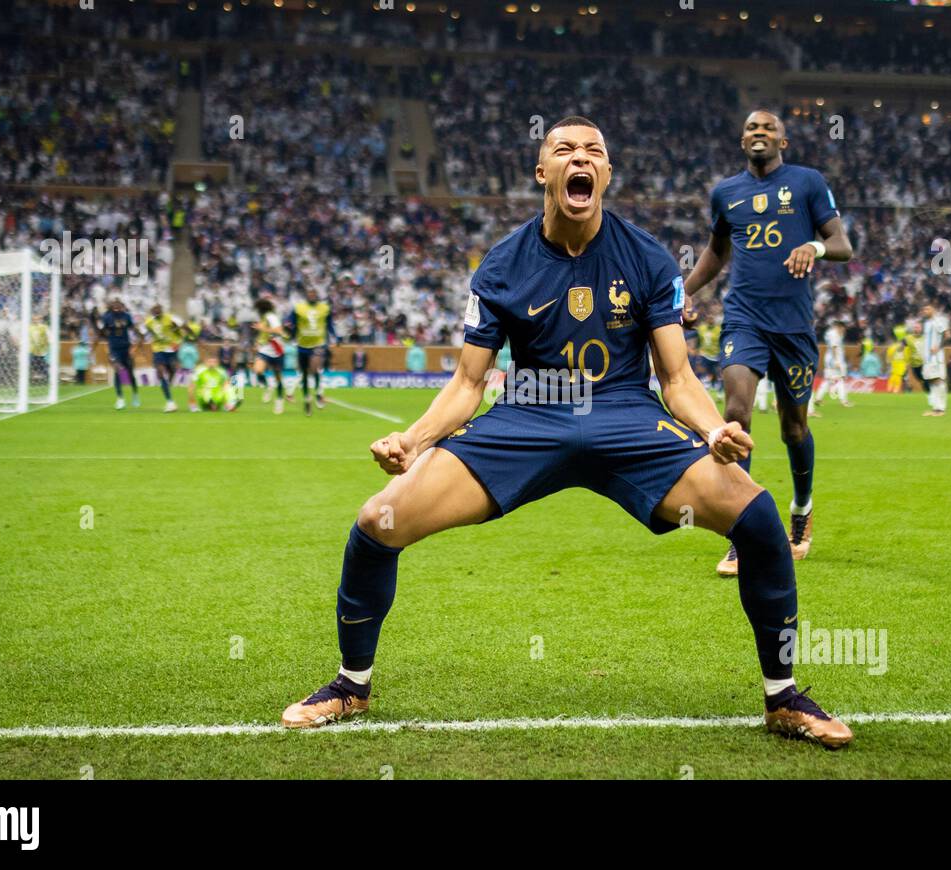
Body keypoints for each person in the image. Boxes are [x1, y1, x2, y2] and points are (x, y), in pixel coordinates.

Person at [280, 116, 852, 748]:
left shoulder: (647, 257)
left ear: (605, 174)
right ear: (543, 173)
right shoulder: (502, 265)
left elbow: (677, 375)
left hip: (626, 417)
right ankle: (350, 686)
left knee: (758, 515)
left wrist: (716, 428)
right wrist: (412, 441)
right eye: (565, 150)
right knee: (377, 522)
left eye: (594, 152)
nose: (581, 158)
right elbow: (469, 386)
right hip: (528, 417)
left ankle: (783, 698)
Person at [682, 109, 853, 572]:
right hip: (744, 321)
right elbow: (717, 253)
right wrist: (683, 292)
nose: (760, 134)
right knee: (735, 417)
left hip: (794, 327)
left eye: (768, 129)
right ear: (743, 142)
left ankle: (801, 510)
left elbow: (842, 243)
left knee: (793, 427)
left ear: (784, 140)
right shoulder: (726, 193)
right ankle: (744, 530)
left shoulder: (807, 183)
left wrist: (812, 246)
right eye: (752, 129)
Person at [289, 287, 331, 416]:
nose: (312, 295)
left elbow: (329, 324)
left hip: (318, 344)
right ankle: (307, 399)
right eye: (310, 293)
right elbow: (291, 323)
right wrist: (289, 331)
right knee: (305, 375)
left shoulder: (324, 308)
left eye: (314, 293)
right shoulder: (299, 308)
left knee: (315, 368)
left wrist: (335, 336)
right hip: (302, 345)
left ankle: (318, 393)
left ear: (317, 295)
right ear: (306, 295)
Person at [96, 299, 141, 410]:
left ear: (122, 306)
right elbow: (101, 332)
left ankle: (135, 394)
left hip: (126, 348)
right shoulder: (107, 317)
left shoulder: (127, 316)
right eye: (114, 305)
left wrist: (139, 338)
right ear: (111, 307)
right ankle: (120, 399)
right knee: (118, 370)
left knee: (130, 373)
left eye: (118, 305)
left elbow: (133, 329)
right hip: (114, 349)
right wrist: (99, 340)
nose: (116, 307)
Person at [144, 304, 189, 413]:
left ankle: (167, 386)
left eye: (158, 310)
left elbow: (185, 327)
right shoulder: (149, 322)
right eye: (154, 311)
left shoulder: (171, 318)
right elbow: (148, 332)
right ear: (152, 312)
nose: (156, 312)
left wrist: (185, 336)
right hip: (158, 349)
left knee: (172, 370)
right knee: (160, 372)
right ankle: (170, 402)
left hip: (172, 348)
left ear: (162, 310)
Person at [251, 296, 288, 415]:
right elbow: (263, 333)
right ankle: (268, 386)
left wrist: (264, 328)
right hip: (265, 349)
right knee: (257, 370)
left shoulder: (271, 317)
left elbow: (279, 330)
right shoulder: (263, 318)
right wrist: (257, 342)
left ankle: (279, 400)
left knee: (278, 378)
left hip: (277, 350)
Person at [920, 304, 950, 417]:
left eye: (927, 309)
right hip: (927, 358)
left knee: (938, 380)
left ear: (933, 309)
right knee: (932, 381)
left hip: (936, 357)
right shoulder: (926, 323)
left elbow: (947, 335)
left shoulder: (939, 320)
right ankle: (935, 408)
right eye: (924, 309)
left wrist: (938, 347)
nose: (925, 311)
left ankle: (941, 409)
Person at [815, 320, 852, 408]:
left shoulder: (830, 333)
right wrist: (836, 361)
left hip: (830, 359)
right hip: (834, 360)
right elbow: (834, 347)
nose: (844, 331)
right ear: (839, 327)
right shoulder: (834, 334)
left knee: (828, 380)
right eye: (843, 329)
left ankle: (818, 398)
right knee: (840, 379)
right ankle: (844, 401)